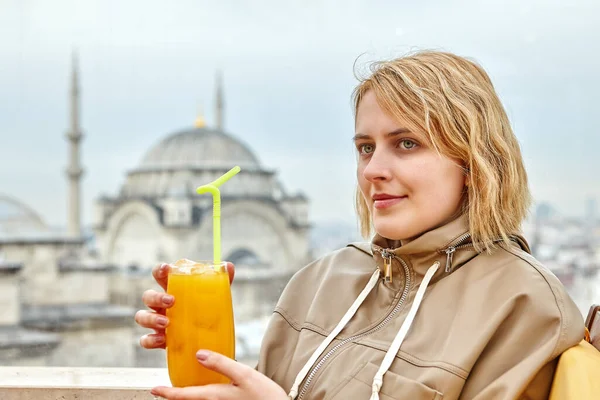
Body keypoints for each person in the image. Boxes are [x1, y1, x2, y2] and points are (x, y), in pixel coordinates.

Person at [135, 51, 584, 400]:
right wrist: (208, 356)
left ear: (473, 162)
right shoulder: (320, 280)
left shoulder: (524, 306)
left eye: (406, 143)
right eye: (365, 147)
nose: (373, 170)